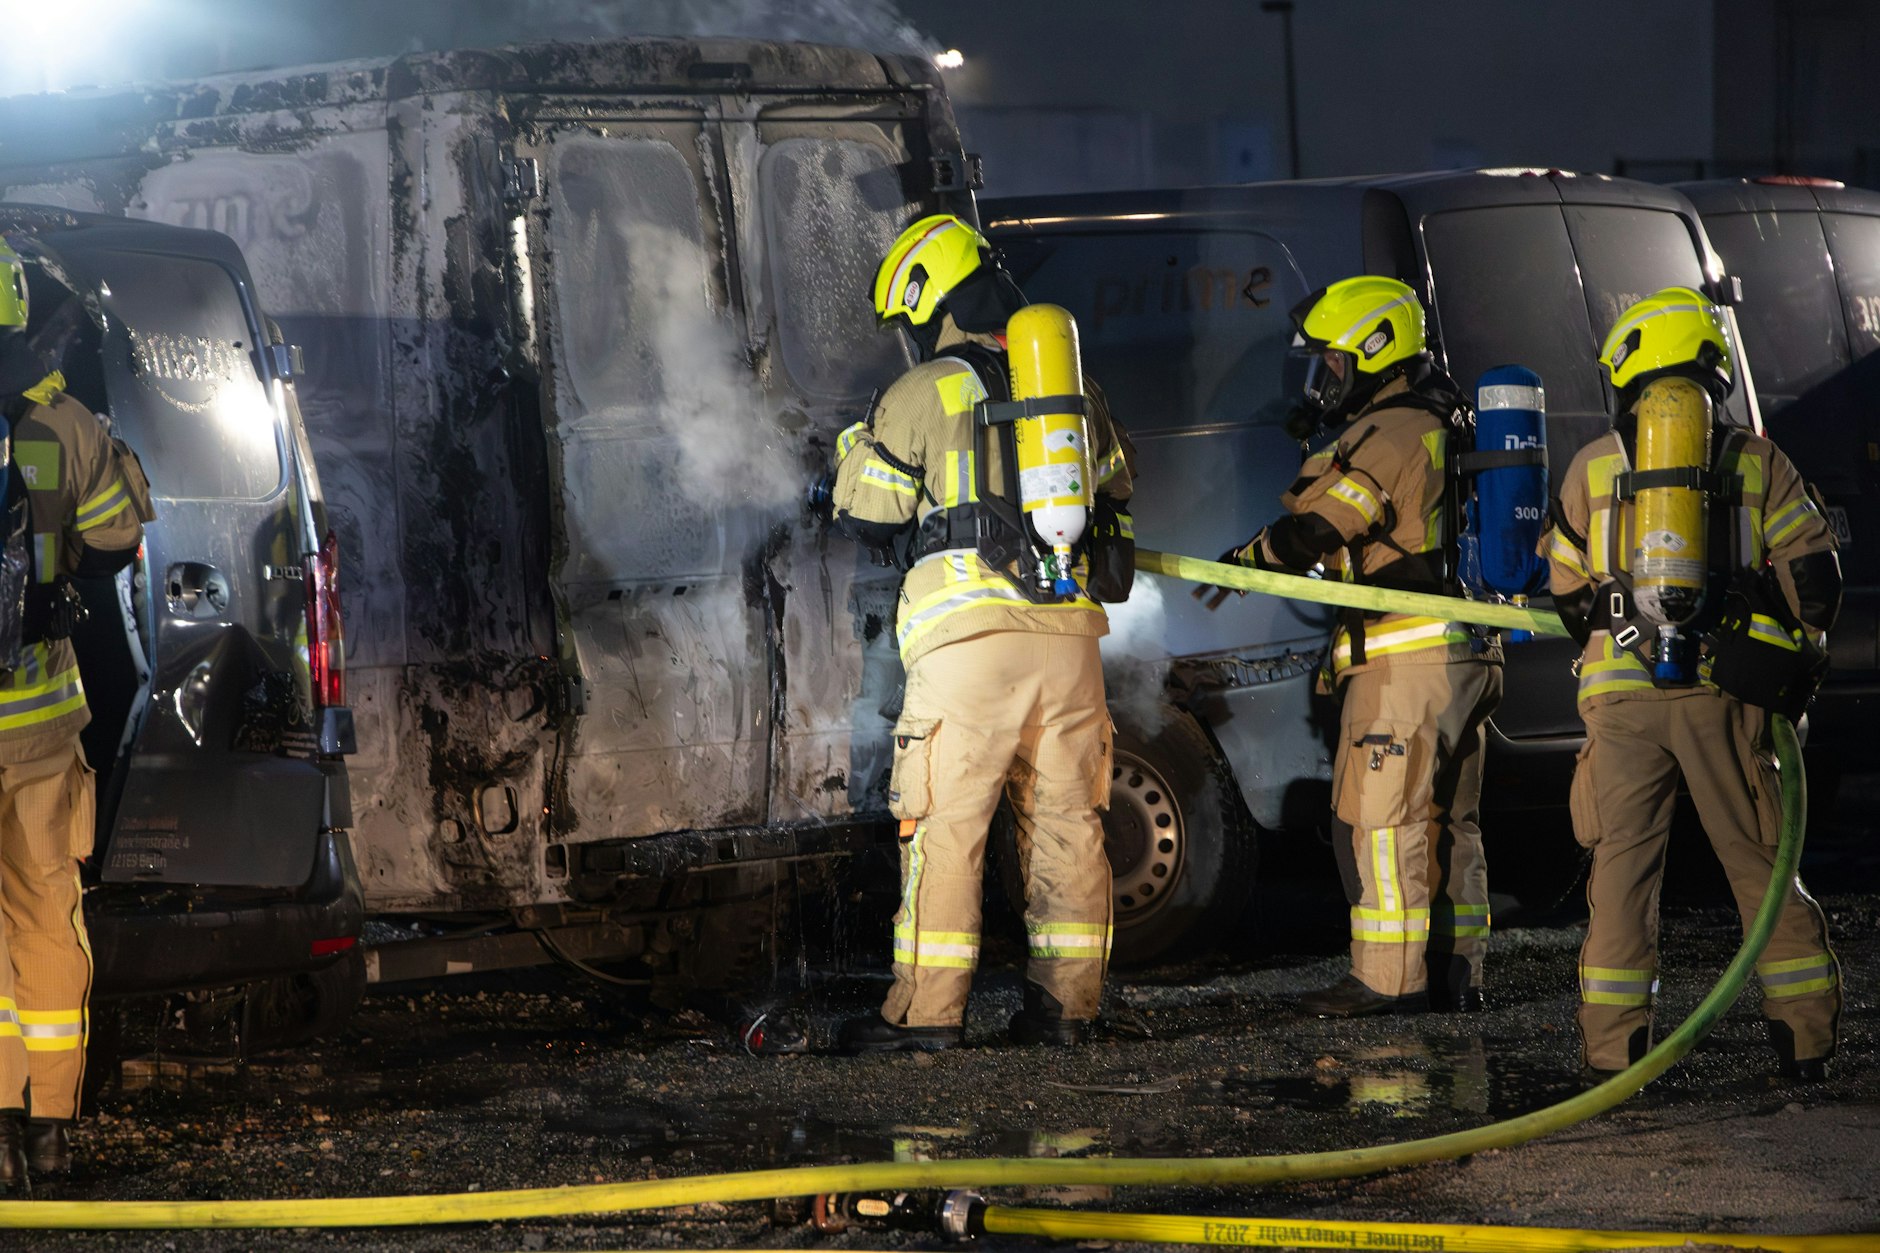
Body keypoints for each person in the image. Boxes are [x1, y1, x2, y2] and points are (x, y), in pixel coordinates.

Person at [828, 213, 1134, 1052]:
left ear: (932, 301)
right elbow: (1118, 500)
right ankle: (1069, 1012)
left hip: (970, 646)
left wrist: (857, 441)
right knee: (1069, 827)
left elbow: (866, 506)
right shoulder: (1074, 394)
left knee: (948, 827)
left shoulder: (927, 389)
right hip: (1070, 643)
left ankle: (925, 1016)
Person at [1541, 287, 1842, 1080]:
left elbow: (1566, 590)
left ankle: (1614, 1057)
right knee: (1761, 866)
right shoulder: (1758, 460)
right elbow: (1816, 582)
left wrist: (1624, 624)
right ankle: (1805, 1043)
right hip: (1723, 699)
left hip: (1619, 703)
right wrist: (1778, 644)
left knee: (1621, 879)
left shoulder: (1594, 464)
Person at [1201, 276, 1500, 1017]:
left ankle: (1387, 981)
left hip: (1406, 665)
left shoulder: (1389, 432)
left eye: (1334, 363)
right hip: (1468, 656)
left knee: (1382, 822)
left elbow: (1321, 528)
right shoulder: (1447, 420)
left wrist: (1248, 559)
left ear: (1376, 350)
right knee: (1450, 825)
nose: (1326, 378)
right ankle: (1457, 972)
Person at [0, 239, 149, 1192]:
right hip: (40, 723)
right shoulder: (61, 424)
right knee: (47, 917)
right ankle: (51, 1131)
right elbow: (121, 536)